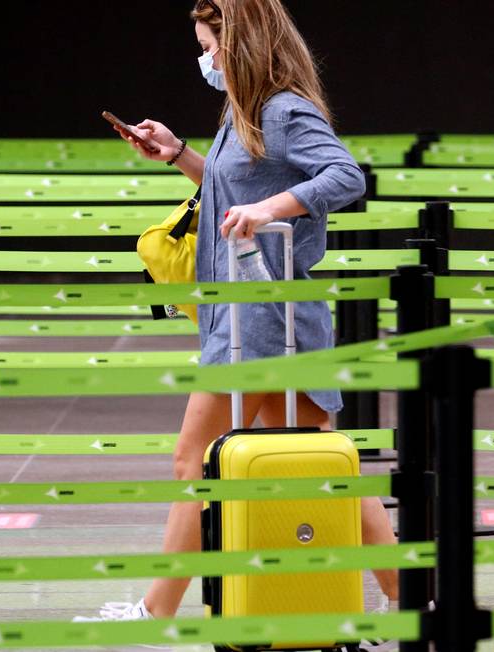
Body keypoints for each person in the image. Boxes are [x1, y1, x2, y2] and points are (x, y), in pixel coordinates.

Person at [76, 0, 398, 624]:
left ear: (240, 45)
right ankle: (413, 597)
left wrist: (274, 209)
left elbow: (345, 175)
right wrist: (178, 156)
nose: (206, 58)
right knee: (325, 458)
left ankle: (156, 611)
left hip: (261, 316)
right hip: (262, 312)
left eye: (211, 45)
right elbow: (232, 197)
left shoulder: (280, 109)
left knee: (196, 463)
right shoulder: (242, 112)